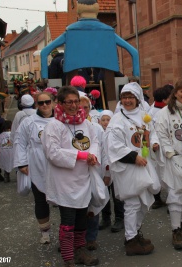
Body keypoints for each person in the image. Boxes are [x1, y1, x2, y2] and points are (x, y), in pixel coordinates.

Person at [41, 86, 99, 266]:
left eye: (76, 102)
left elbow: (95, 142)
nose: (74, 106)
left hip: (82, 178)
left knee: (82, 218)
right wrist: (81, 155)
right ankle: (68, 257)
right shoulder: (54, 125)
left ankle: (80, 251)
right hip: (64, 181)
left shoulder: (86, 123)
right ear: (60, 103)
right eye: (69, 102)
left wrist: (94, 155)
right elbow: (53, 152)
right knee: (68, 220)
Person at [104, 82, 160, 256]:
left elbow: (152, 131)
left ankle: (134, 234)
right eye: (124, 97)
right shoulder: (117, 120)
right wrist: (133, 157)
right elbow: (114, 146)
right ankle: (130, 240)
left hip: (144, 164)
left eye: (131, 97)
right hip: (128, 167)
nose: (127, 101)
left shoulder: (144, 116)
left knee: (143, 202)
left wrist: (155, 143)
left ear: (137, 99)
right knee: (132, 203)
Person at [155, 81, 182, 250]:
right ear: (175, 93)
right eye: (181, 91)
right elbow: (161, 133)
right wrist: (170, 152)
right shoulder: (165, 112)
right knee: (175, 194)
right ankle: (175, 231)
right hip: (173, 158)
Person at [14, 92, 55, 245]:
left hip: (58, 166)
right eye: (41, 103)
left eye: (47, 102)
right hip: (37, 164)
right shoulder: (29, 122)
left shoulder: (60, 120)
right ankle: (45, 233)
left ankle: (68, 233)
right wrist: (22, 163)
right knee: (41, 200)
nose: (44, 105)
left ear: (53, 102)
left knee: (65, 201)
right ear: (36, 105)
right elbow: (20, 142)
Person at [79, 94, 111, 251]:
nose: (82, 110)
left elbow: (104, 151)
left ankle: (91, 237)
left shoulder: (97, 128)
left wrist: (107, 172)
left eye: (85, 107)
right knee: (76, 207)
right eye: (79, 106)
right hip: (75, 174)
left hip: (94, 172)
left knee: (93, 204)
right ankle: (75, 238)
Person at [98, 110, 126, 233]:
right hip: (101, 168)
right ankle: (106, 217)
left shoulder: (114, 133)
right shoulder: (98, 133)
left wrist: (109, 171)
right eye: (103, 120)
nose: (105, 122)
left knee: (117, 194)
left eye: (108, 119)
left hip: (114, 168)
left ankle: (120, 218)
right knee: (104, 194)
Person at [149, 86, 172, 209]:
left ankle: (161, 198)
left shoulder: (153, 109)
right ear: (165, 100)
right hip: (159, 146)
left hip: (161, 145)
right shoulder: (157, 113)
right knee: (163, 173)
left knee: (163, 172)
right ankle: (163, 199)